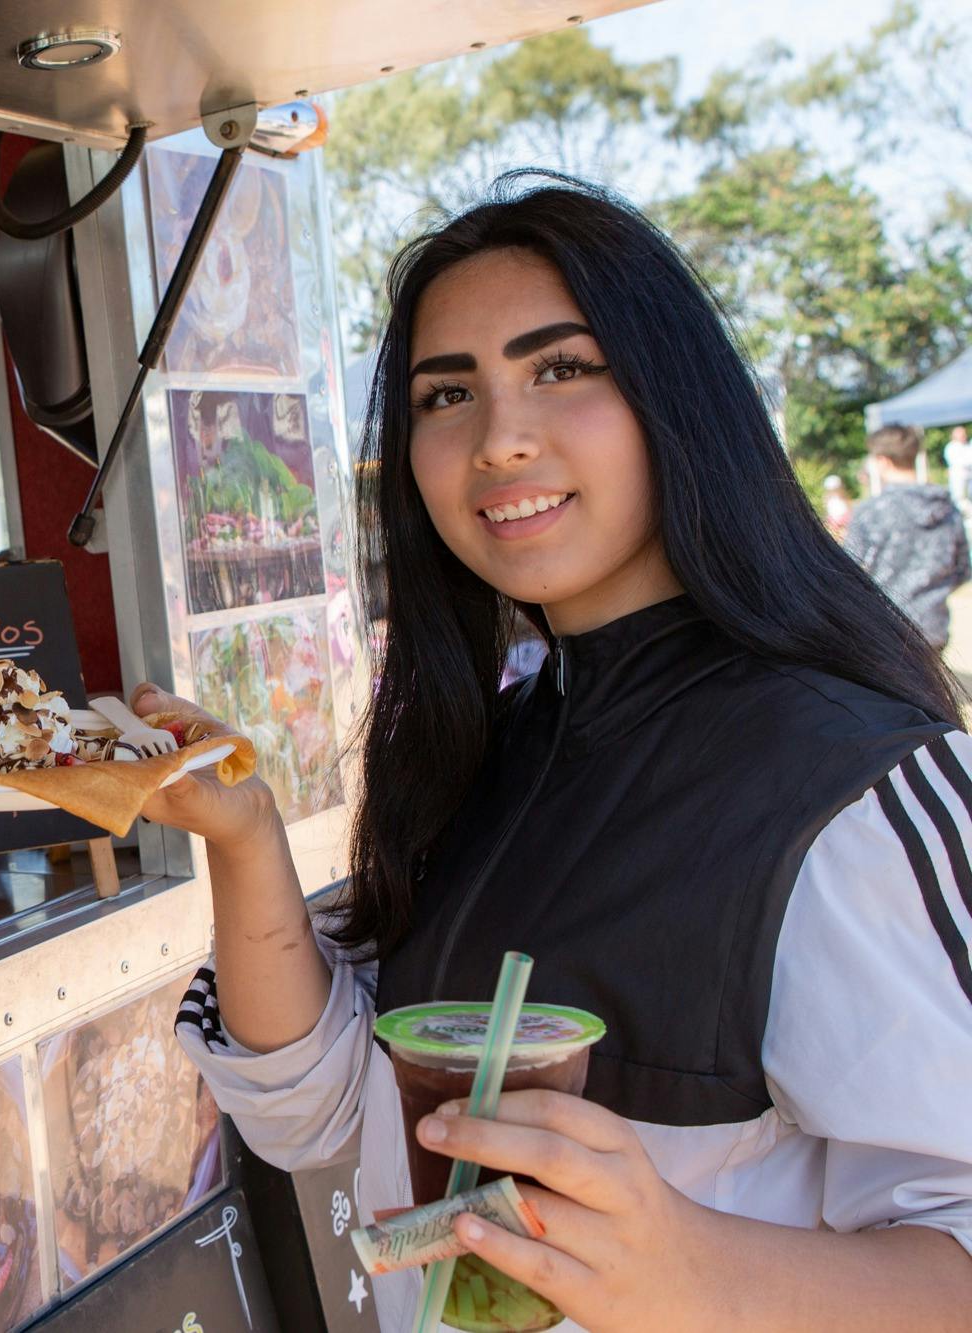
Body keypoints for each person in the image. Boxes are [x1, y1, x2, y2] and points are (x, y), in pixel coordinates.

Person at [135, 176, 972, 1330]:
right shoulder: (492, 745)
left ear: (674, 399)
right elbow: (321, 1117)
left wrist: (685, 1263)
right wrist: (243, 834)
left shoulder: (841, 784)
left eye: (560, 369)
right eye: (445, 393)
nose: (498, 438)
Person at [846, 423, 971, 649]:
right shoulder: (947, 509)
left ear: (883, 460)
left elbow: (848, 572)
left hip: (886, 632)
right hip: (933, 628)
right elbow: (962, 570)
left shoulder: (872, 511)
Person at [820, 472, 852, 541]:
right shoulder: (827, 498)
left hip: (842, 519)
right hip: (834, 520)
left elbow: (848, 507)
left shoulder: (842, 497)